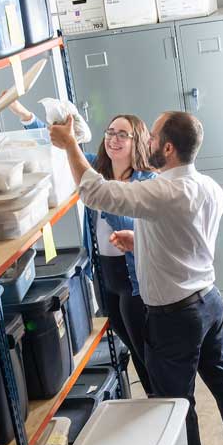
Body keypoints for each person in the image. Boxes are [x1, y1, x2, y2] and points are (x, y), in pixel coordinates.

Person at [47, 110, 223, 445]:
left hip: (175, 316)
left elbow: (96, 192)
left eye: (151, 137)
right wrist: (140, 241)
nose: (146, 142)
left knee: (174, 404)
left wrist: (69, 145)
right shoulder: (207, 187)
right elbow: (185, 238)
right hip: (208, 301)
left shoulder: (163, 191)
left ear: (167, 148)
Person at [14, 107, 156, 392]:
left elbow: (126, 223)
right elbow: (60, 147)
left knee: (145, 346)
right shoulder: (95, 170)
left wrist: (104, 191)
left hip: (133, 279)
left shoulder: (145, 182)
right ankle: (155, 395)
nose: (113, 139)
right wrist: (24, 114)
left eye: (122, 135)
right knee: (126, 338)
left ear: (137, 140)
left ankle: (163, 396)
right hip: (105, 275)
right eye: (110, 133)